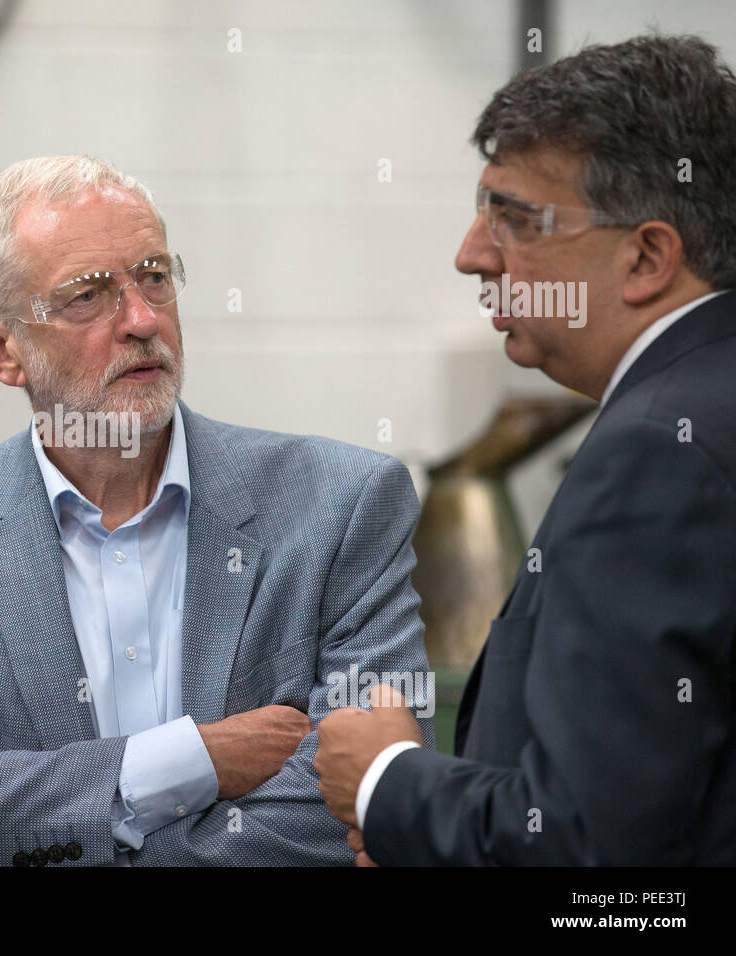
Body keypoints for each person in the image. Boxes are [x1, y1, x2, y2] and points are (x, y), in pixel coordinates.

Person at [0, 156, 433, 866]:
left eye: (154, 276)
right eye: (88, 297)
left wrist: (29, 824)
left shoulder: (342, 504)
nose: (141, 319)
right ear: (3, 351)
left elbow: (369, 793)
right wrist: (195, 761)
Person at [314, 34, 736, 865]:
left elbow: (592, 845)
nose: (472, 255)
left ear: (646, 256)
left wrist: (385, 783)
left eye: (515, 217)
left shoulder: (656, 454)